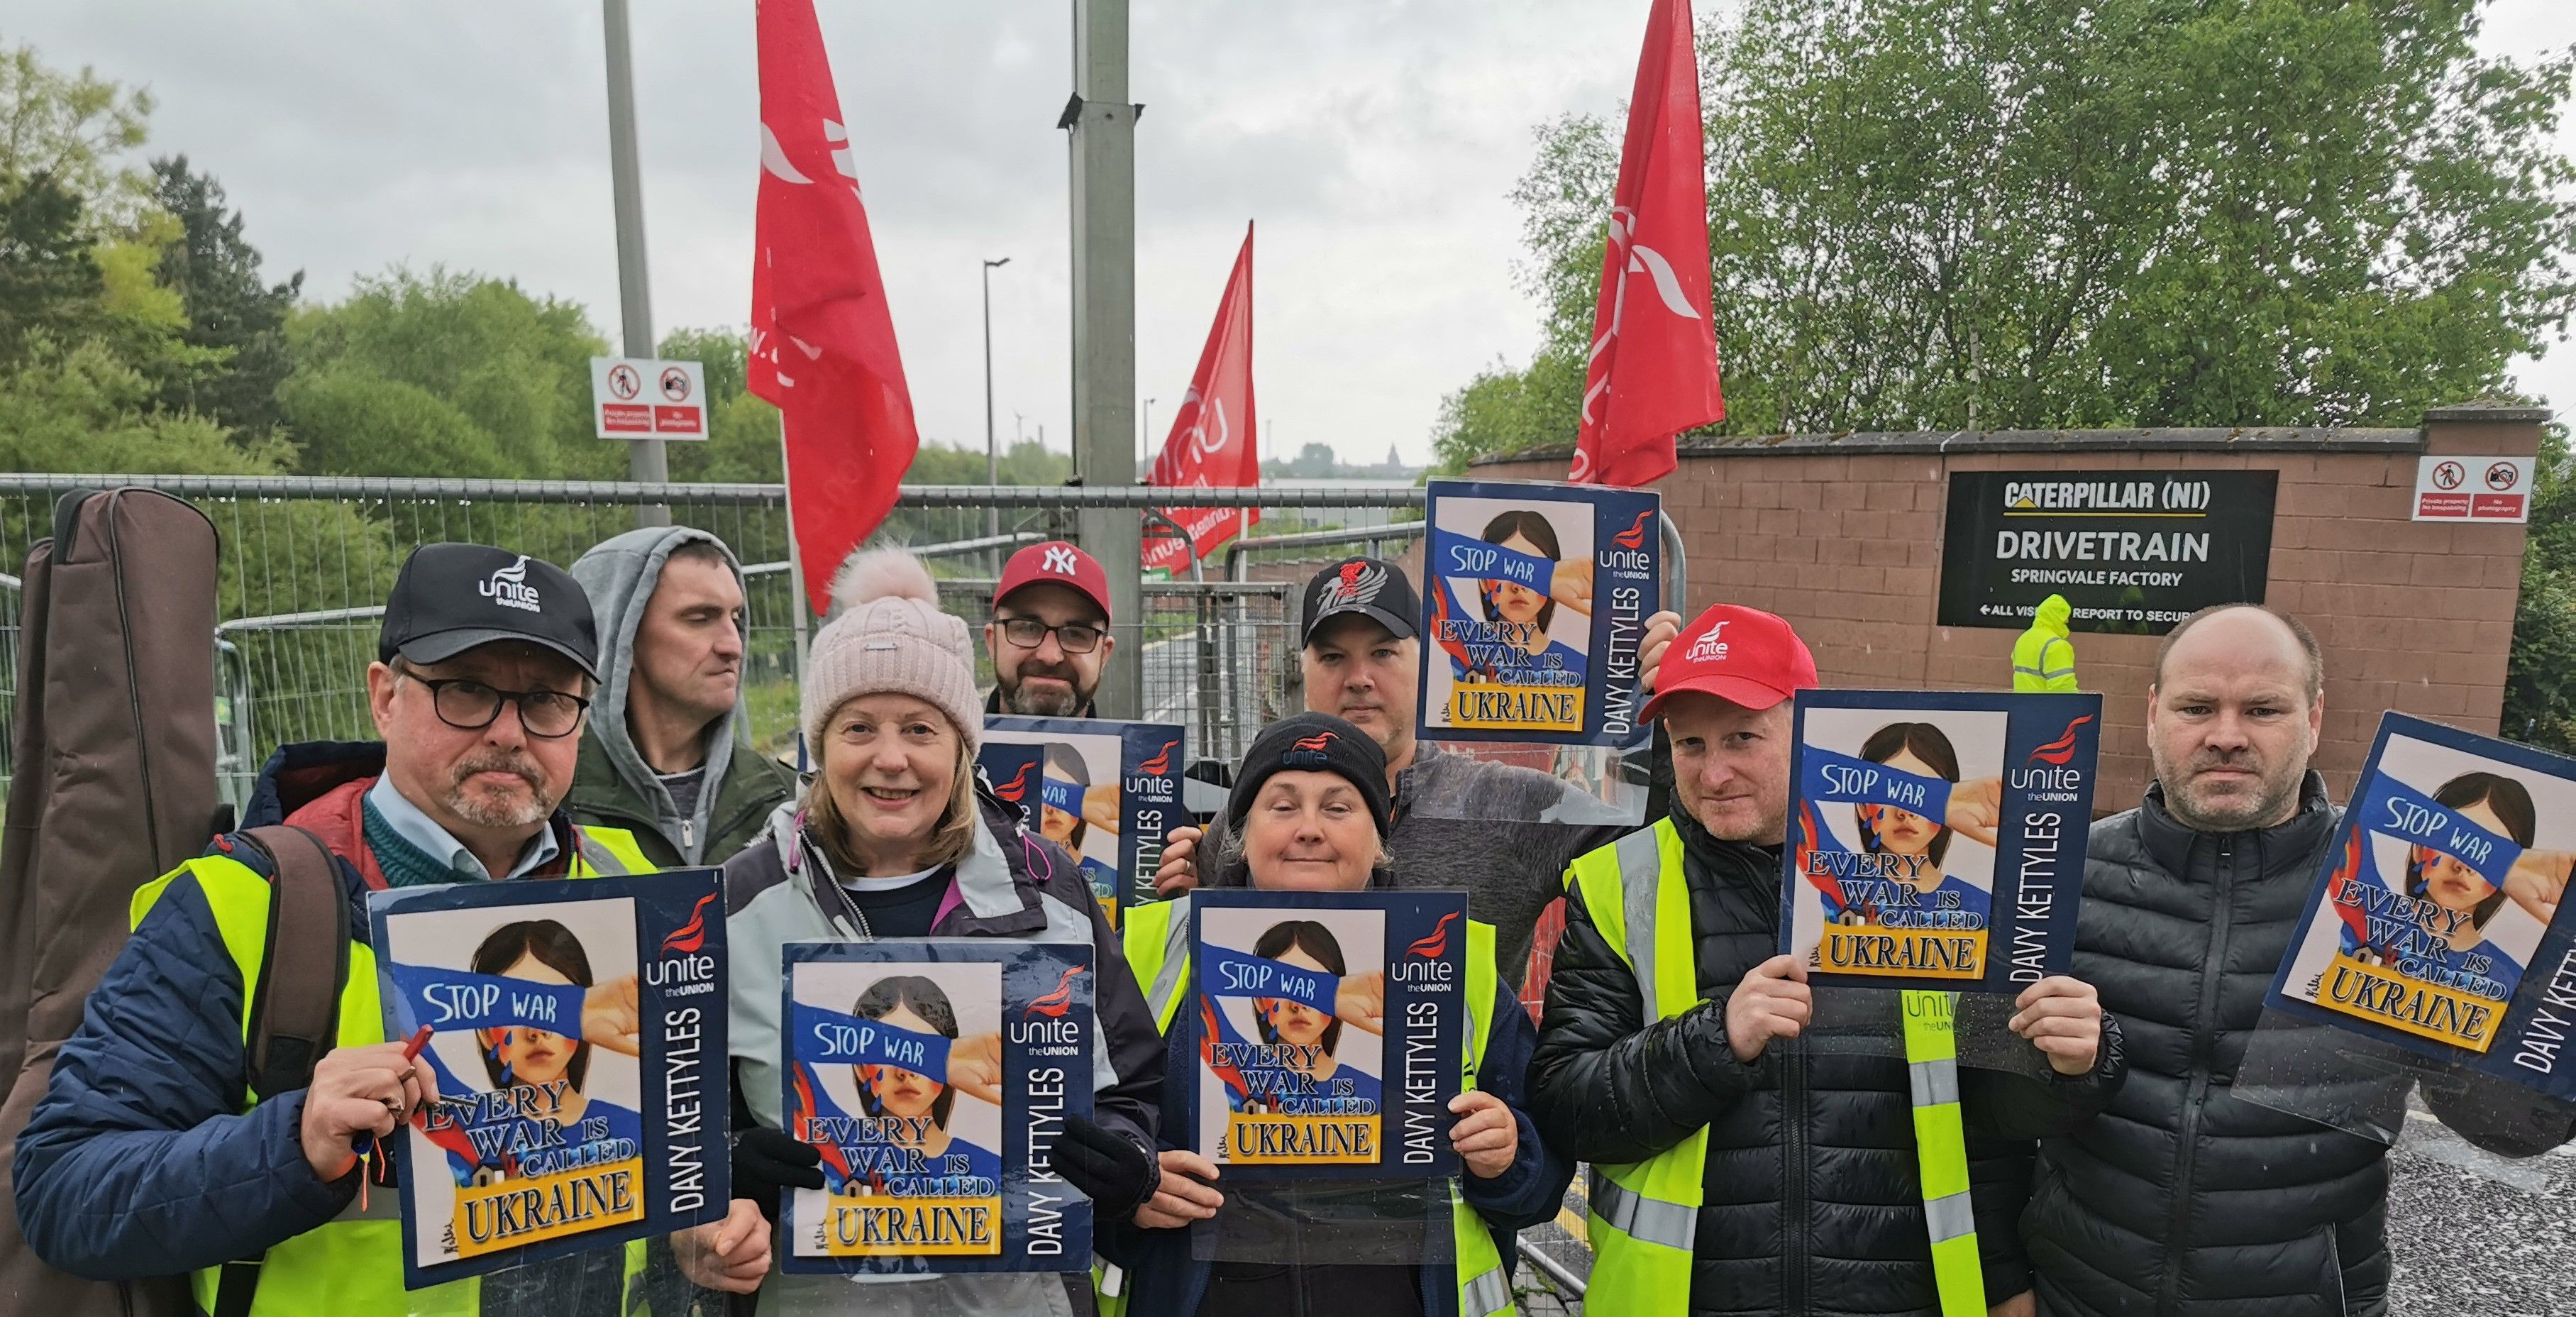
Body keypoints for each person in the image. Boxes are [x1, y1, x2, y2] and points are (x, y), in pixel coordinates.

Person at [12, 543, 765, 1313]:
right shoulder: (244, 903)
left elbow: (673, 1155)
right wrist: (293, 1142)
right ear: (385, 695)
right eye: (467, 690)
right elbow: (66, 1189)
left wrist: (699, 1230)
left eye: (545, 699)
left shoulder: (643, 897)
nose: (509, 731)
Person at [1529, 603, 2127, 1317]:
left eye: (1742, 737)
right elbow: (1568, 1106)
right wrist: (1714, 1038)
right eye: (1689, 743)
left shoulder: (1937, 888)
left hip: (1893, 1295)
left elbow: (1986, 1117)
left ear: (1808, 726)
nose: (1714, 771)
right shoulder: (1615, 882)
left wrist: (2072, 1063)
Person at [2023, 603, 2576, 1316]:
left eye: (2261, 708)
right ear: (2154, 713)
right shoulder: (2062, 875)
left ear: (2313, 719)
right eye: (2197, 706)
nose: (2226, 735)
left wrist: (2540, 1006)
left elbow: (2507, 1127)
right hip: (2081, 1293)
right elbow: (2000, 1109)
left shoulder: (2398, 893)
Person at [707, 546, 1166, 1315]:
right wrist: (729, 1173)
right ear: (820, 745)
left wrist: (1127, 1155)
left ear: (961, 748)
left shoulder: (1048, 883)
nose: (891, 758)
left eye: (921, 727)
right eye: (858, 726)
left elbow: (1134, 1081)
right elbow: (673, 1121)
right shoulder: (739, 902)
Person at [1082, 712, 1575, 1316]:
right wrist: (1127, 1186)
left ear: (1380, 835)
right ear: (1241, 830)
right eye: (1281, 806)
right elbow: (1068, 1136)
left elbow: (1542, 1178)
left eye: (1339, 807)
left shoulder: (1455, 968)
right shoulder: (1144, 953)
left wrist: (1506, 1155)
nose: (1309, 829)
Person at [1154, 556, 1681, 985]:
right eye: (1333, 658)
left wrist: (1662, 715)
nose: (1359, 678)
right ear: (1305, 671)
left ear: (1425, 664)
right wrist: (1182, 908)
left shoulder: (1507, 806)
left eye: (1382, 653)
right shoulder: (1253, 812)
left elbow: (1662, 843)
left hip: (1457, 1109)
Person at [567, 527, 798, 868]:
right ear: (620, 638)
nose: (733, 645)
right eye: (700, 619)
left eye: (736, 619)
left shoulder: (788, 801)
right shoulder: (551, 803)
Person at [432, 919, 646, 1187]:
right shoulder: (469, 1134)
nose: (535, 1030)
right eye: (512, 1007)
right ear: (486, 1034)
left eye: (553, 1004)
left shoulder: (633, 1131)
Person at [1448, 510, 1586, 683]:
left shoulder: (1580, 669)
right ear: (1484, 581)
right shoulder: (1464, 659)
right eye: (1505, 568)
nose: (1518, 586)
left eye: (1533, 570)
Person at [987, 539, 1118, 717]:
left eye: (1076, 634)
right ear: (992, 642)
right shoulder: (946, 746)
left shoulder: (1155, 746)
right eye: (1028, 628)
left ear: (1104, 655)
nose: (1050, 657)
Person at [2010, 594, 2078, 693]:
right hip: (2045, 706)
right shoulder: (2056, 646)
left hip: (2021, 705)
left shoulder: (2023, 639)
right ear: (2056, 617)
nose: (2067, 621)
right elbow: (2064, 690)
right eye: (2065, 616)